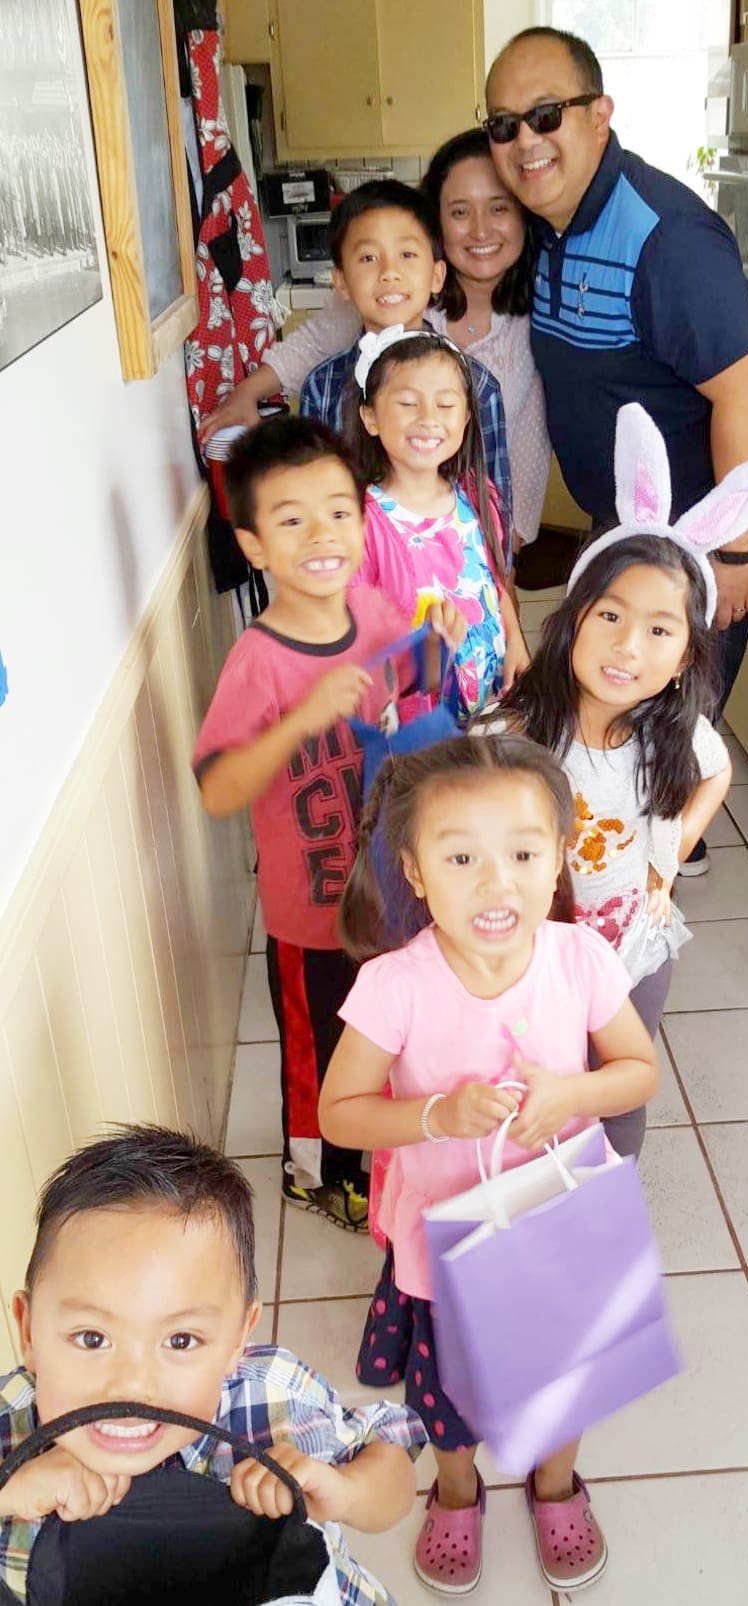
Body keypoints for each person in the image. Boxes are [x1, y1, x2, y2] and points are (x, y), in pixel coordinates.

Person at [319, 734, 659, 1594]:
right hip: (446, 1245)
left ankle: (556, 1484)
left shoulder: (579, 959)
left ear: (559, 858)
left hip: (559, 1226)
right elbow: (338, 1111)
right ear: (415, 870)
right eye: (461, 857)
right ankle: (455, 1491)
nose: (495, 882)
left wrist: (571, 1094)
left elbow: (637, 1070)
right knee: (449, 1394)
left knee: (564, 1374)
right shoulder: (395, 984)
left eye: (522, 854)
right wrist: (433, 1114)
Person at [484, 25, 748, 871]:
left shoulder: (665, 235)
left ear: (598, 114)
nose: (524, 140)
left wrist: (733, 551)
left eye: (544, 114)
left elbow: (741, 393)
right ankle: (608, 851)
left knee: (667, 706)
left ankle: (649, 879)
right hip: (630, 509)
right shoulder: (545, 225)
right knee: (606, 689)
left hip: (706, 519)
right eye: (503, 124)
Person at [483, 399, 748, 1154]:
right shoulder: (515, 730)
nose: (628, 647)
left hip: (633, 953)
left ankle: (611, 1188)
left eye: (659, 630)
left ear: (686, 655)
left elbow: (716, 773)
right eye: (610, 617)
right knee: (534, 1091)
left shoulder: (676, 732)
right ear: (573, 619)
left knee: (619, 1086)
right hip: (533, 961)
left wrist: (668, 856)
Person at [192, 415, 459, 1227]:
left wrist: (436, 648)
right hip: (309, 913)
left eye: (338, 512)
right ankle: (313, 1174)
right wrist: (300, 720)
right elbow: (217, 790)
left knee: (384, 1034)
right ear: (252, 546)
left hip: (387, 892)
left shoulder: (374, 610)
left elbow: (410, 686)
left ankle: (375, 1151)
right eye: (291, 519)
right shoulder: (258, 662)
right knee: (319, 1051)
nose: (321, 535)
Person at [0, 1125, 424, 1606]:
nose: (133, 1385)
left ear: (238, 1338)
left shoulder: (276, 1398)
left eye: (181, 1341)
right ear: (29, 1331)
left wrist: (346, 1491)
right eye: (92, 1338)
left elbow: (392, 1465)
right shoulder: (10, 1422)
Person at [199, 140, 551, 553]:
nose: (389, 273)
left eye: (498, 208)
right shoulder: (324, 387)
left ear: (433, 273)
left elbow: (495, 503)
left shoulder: (484, 376)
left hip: (450, 576)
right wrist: (247, 392)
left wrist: (502, 565)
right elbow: (315, 500)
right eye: (460, 211)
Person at [349, 326, 529, 722]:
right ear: (370, 416)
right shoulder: (361, 522)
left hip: (492, 703)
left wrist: (516, 640)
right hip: (418, 723)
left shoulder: (477, 495)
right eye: (408, 403)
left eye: (445, 405)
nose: (428, 419)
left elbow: (493, 581)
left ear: (466, 417)